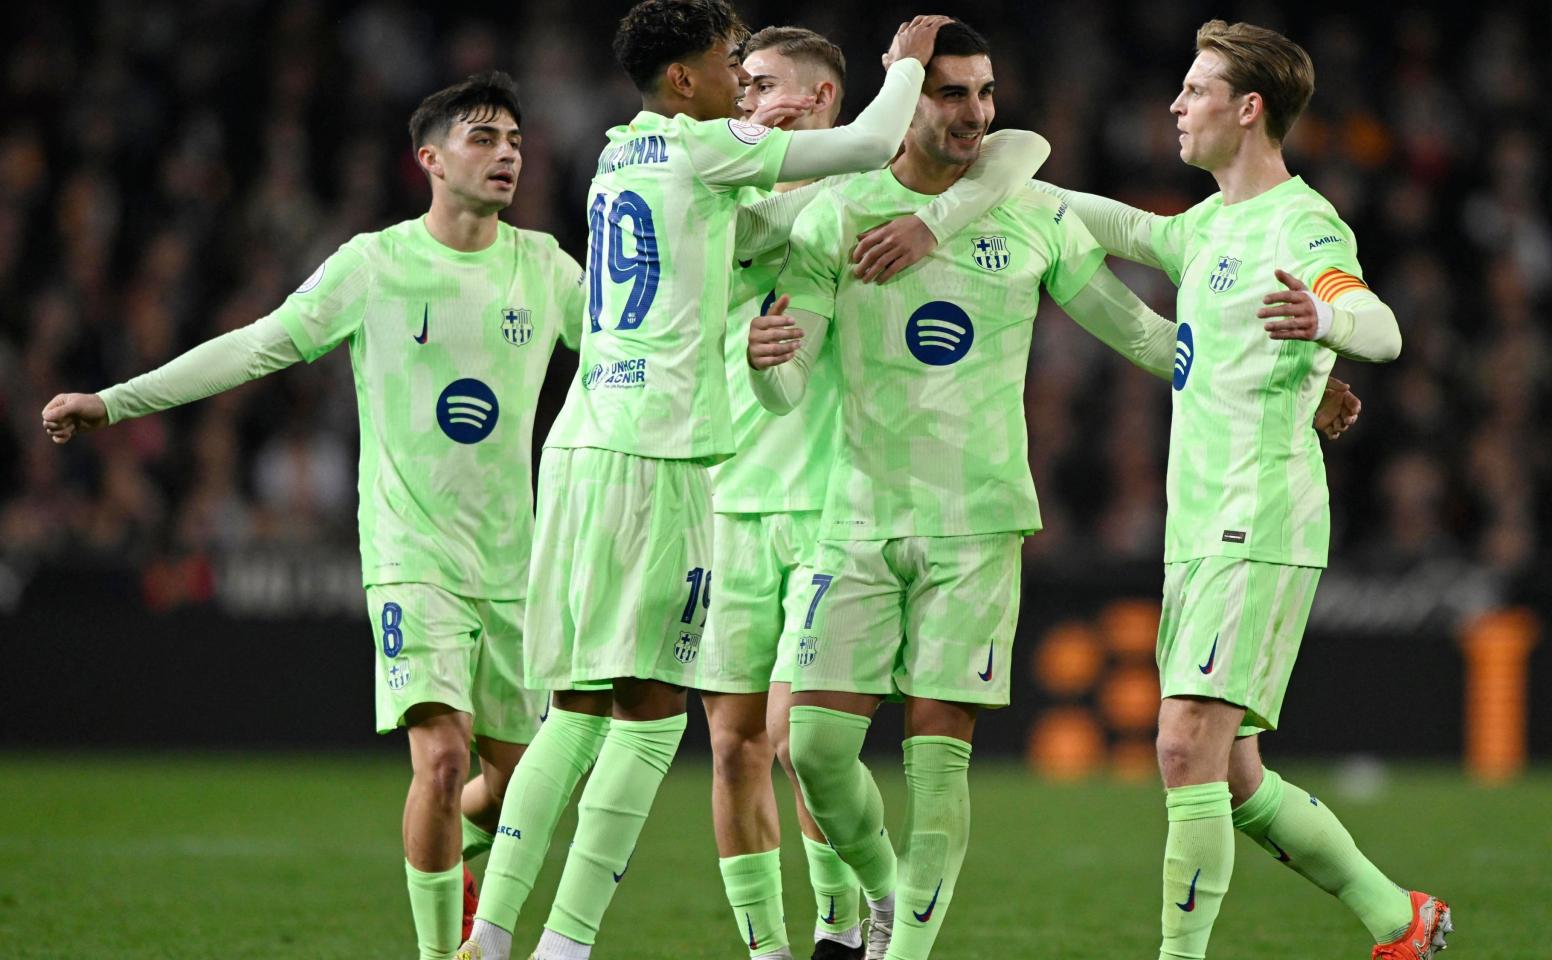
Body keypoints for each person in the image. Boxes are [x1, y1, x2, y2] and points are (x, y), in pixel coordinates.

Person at [39, 72, 601, 960]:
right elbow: (256, 345)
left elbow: (640, 346)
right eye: (484, 138)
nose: (507, 156)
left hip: (516, 564)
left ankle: (461, 841)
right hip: (413, 555)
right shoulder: (373, 265)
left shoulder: (545, 266)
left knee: (518, 784)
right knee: (441, 758)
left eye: (516, 142)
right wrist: (116, 402)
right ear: (429, 158)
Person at [457, 6, 955, 960]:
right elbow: (872, 139)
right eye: (731, 65)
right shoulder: (701, 146)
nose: (744, 82)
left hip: (582, 445)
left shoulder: (621, 155)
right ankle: (562, 945)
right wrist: (906, 65)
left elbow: (731, 248)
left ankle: (494, 935)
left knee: (577, 707)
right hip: (662, 457)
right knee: (647, 718)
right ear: (683, 80)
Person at [743, 19, 1204, 959]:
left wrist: (1277, 382)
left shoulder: (1028, 212)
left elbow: (1145, 336)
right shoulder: (840, 213)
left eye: (985, 93)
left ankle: (902, 952)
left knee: (937, 758)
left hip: (977, 524)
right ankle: (882, 892)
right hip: (858, 516)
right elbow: (791, 383)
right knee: (812, 752)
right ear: (905, 102)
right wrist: (763, 365)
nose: (977, 113)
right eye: (953, 93)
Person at [1031, 19, 1447, 960]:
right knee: (1233, 775)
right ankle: (1399, 918)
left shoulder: (1303, 224)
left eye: (1194, 89)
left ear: (1248, 109)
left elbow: (1380, 330)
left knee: (1182, 748)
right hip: (1199, 526)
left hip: (1258, 519)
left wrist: (1326, 317)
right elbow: (1123, 228)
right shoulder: (1209, 225)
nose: (1175, 104)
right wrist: (1006, 185)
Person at [695, 24, 1051, 960]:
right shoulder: (710, 195)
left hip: (834, 497)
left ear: (822, 102)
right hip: (730, 494)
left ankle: (844, 925)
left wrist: (931, 210)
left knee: (798, 740)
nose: (745, 100)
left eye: (763, 83)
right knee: (736, 748)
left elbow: (1017, 151)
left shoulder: (847, 191)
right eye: (739, 86)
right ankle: (777, 948)